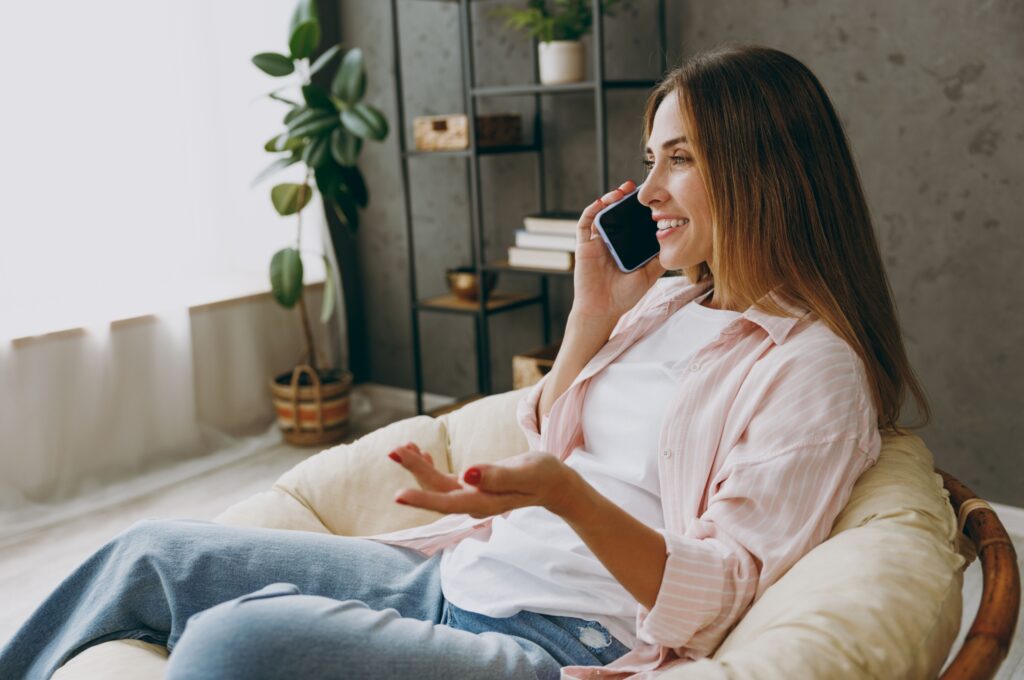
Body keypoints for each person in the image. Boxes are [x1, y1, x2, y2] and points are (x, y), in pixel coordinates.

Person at [0, 44, 929, 680]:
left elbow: (720, 593)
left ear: (766, 172)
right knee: (149, 553)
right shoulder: (672, 301)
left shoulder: (812, 369)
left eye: (679, 161)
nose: (647, 192)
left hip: (550, 636)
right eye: (648, 160)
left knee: (232, 644)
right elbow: (547, 436)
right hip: (454, 576)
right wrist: (590, 318)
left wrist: (561, 496)